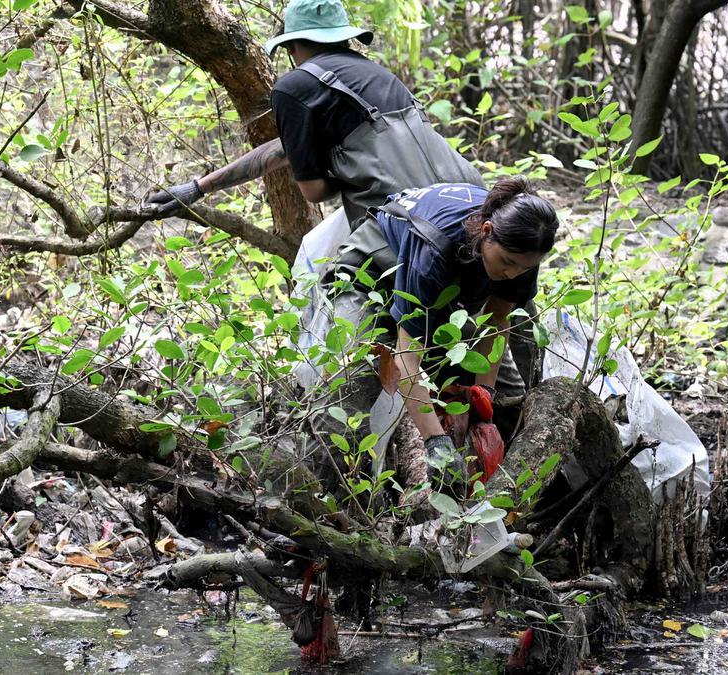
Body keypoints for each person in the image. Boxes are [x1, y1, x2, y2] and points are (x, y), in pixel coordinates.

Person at [145, 0, 481, 230]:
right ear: (343, 37)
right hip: (472, 201)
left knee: (327, 287)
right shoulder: (374, 73)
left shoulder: (294, 87)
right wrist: (197, 187)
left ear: (292, 46)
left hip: (409, 219)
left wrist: (340, 168)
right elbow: (283, 149)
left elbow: (315, 192)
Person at [322, 178, 559, 487]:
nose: (512, 274)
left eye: (523, 268)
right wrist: (435, 442)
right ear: (486, 231)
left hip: (447, 278)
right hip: (371, 272)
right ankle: (329, 495)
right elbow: (406, 362)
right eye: (508, 263)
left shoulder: (524, 245)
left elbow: (496, 320)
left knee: (496, 396)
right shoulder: (435, 250)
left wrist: (482, 394)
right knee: (356, 383)